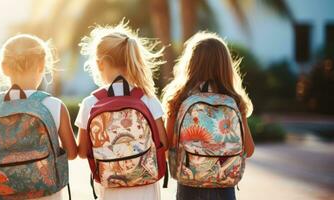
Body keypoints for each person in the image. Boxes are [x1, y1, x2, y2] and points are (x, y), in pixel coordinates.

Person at [0, 34, 77, 200]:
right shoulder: (53, 106)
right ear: (42, 65)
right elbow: (72, 153)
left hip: (6, 193)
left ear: (4, 68)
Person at [76, 22, 168, 200]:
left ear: (100, 64)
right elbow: (163, 143)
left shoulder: (90, 103)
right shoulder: (148, 98)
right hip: (146, 189)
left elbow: (82, 152)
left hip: (111, 189)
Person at [162, 32, 255, 200]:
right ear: (226, 66)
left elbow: (168, 146)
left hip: (189, 186)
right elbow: (248, 150)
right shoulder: (235, 101)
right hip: (224, 187)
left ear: (190, 64)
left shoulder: (179, 99)